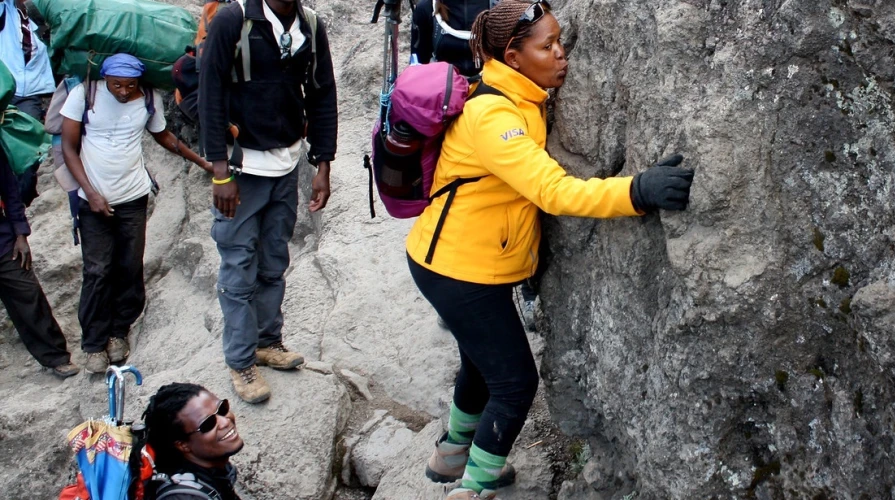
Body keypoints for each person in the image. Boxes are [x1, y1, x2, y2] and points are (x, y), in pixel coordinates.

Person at [405, 2, 694, 498]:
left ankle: (451, 454)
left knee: (480, 362)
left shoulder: (517, 93)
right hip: (459, 269)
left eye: (561, 41)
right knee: (515, 383)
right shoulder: (494, 114)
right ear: (513, 57)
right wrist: (636, 191)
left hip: (460, 261)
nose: (562, 55)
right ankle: (474, 487)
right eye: (547, 46)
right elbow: (552, 191)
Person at [199, 0, 337, 403]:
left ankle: (267, 341)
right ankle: (241, 361)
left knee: (274, 258)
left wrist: (322, 164)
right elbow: (210, 94)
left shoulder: (310, 25)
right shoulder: (232, 20)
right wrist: (220, 171)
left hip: (287, 162)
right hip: (242, 169)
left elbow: (322, 94)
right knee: (239, 263)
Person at [60, 54, 212, 374]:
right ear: (105, 79)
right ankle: (93, 343)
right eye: (117, 84)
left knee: (129, 266)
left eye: (130, 85)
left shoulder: (148, 99)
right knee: (97, 270)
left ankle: (119, 332)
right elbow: (68, 148)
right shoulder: (84, 95)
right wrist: (90, 193)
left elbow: (163, 136)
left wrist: (201, 162)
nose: (124, 91)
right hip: (93, 201)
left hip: (133, 197)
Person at [0, 146, 78, 378]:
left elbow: (10, 190)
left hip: (3, 241)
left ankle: (56, 357)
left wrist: (21, 233)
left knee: (29, 295)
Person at [141, 383, 244, 499]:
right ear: (183, 445)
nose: (225, 422)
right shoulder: (185, 497)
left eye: (222, 409)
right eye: (208, 424)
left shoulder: (212, 462)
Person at [0, 0, 56, 205]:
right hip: (4, 86)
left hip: (31, 92)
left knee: (30, 149)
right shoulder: (6, 9)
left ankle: (21, 203)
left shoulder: (44, 11)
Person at [410, 0, 491, 77]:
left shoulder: (498, 7)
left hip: (492, 85)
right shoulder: (427, 7)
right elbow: (418, 67)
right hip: (442, 87)